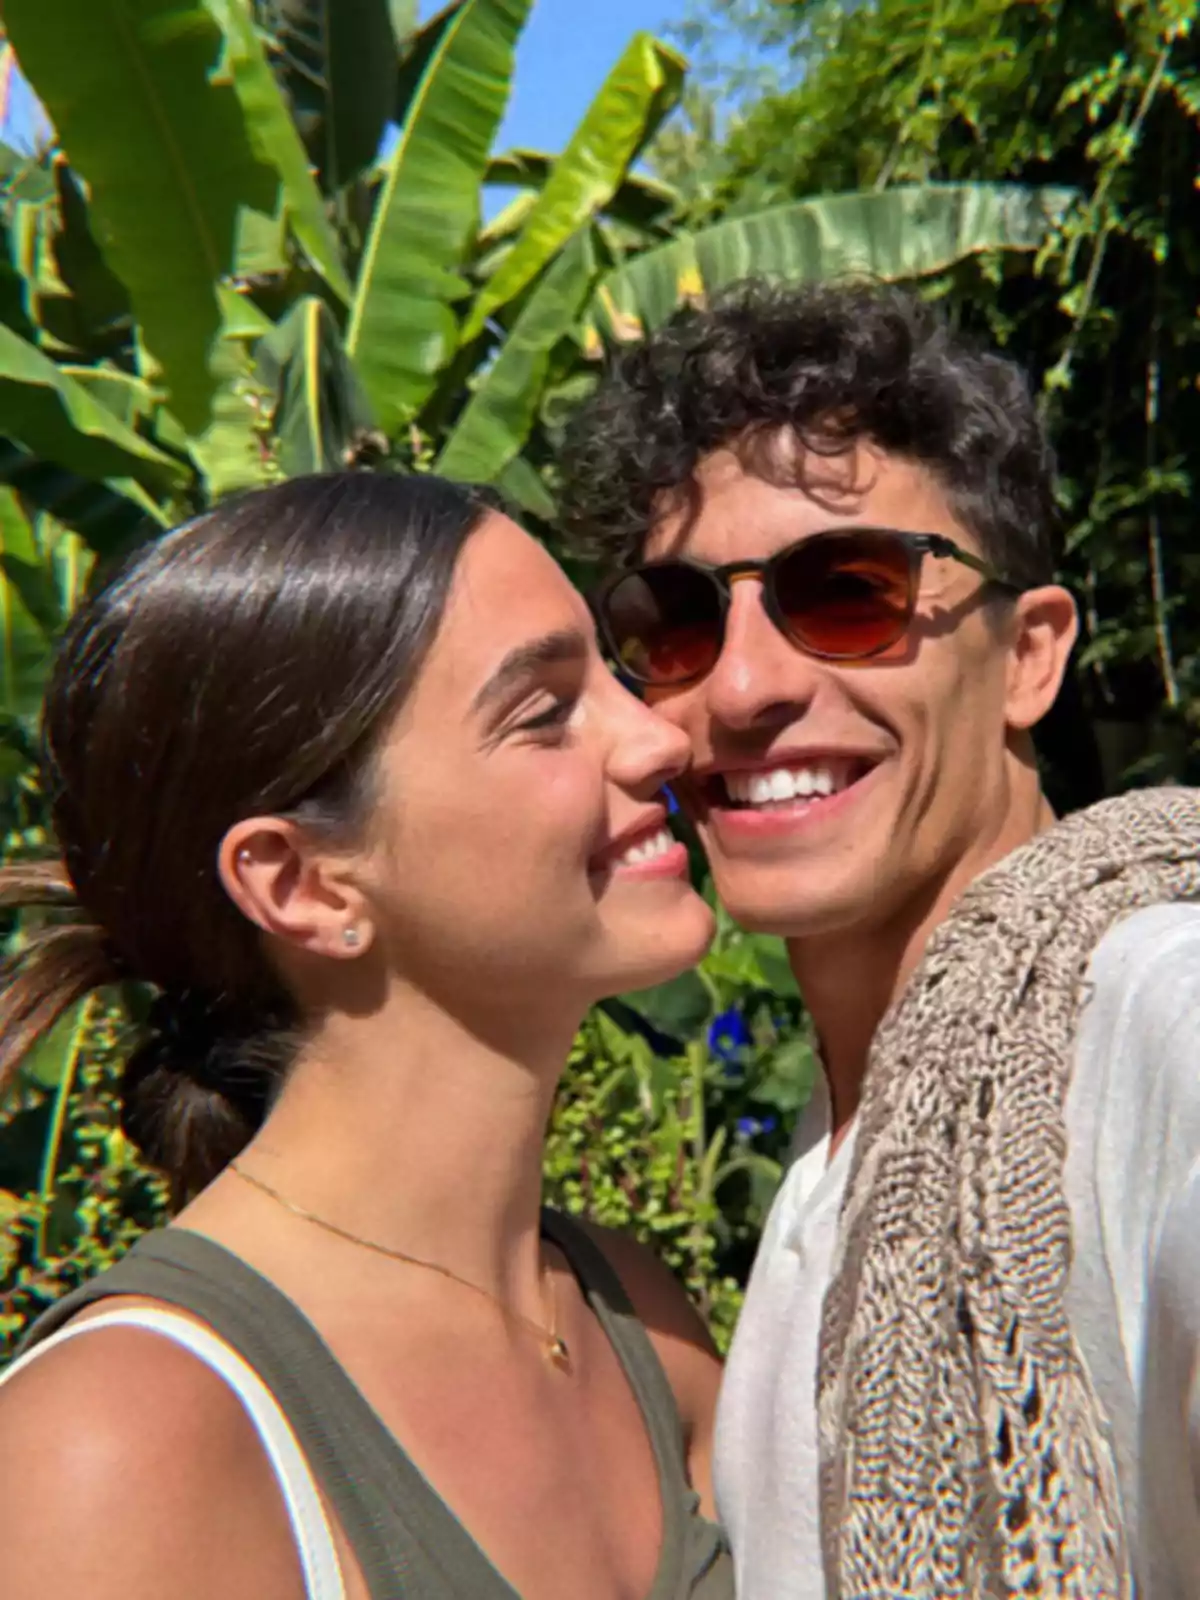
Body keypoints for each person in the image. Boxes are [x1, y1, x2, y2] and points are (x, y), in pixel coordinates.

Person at [558, 278, 1200, 1600]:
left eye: (848, 592)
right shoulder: (841, 1154)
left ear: (1029, 656)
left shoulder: (1154, 1021)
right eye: (674, 623)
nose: (742, 688)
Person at [0, 473, 736, 1600]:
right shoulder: (118, 1442)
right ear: (300, 884)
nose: (657, 737)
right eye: (542, 712)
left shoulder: (638, 1322)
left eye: (612, 673)